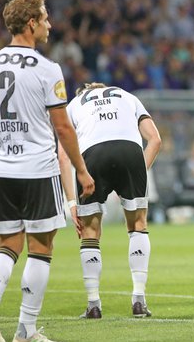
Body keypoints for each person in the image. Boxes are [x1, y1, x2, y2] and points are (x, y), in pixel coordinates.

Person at [0, 0, 94, 342]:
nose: (50, 24)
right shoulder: (46, 68)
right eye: (45, 17)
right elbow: (64, 129)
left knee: (6, 245)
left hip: (2, 169)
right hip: (37, 169)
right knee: (41, 246)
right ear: (31, 24)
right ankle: (25, 332)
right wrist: (82, 171)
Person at [59, 82, 161, 319]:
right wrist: (137, 174)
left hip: (92, 155)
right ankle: (139, 300)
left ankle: (93, 304)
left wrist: (71, 203)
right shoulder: (127, 96)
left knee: (90, 231)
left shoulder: (75, 104)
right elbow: (155, 140)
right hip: (130, 152)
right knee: (138, 225)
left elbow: (63, 156)